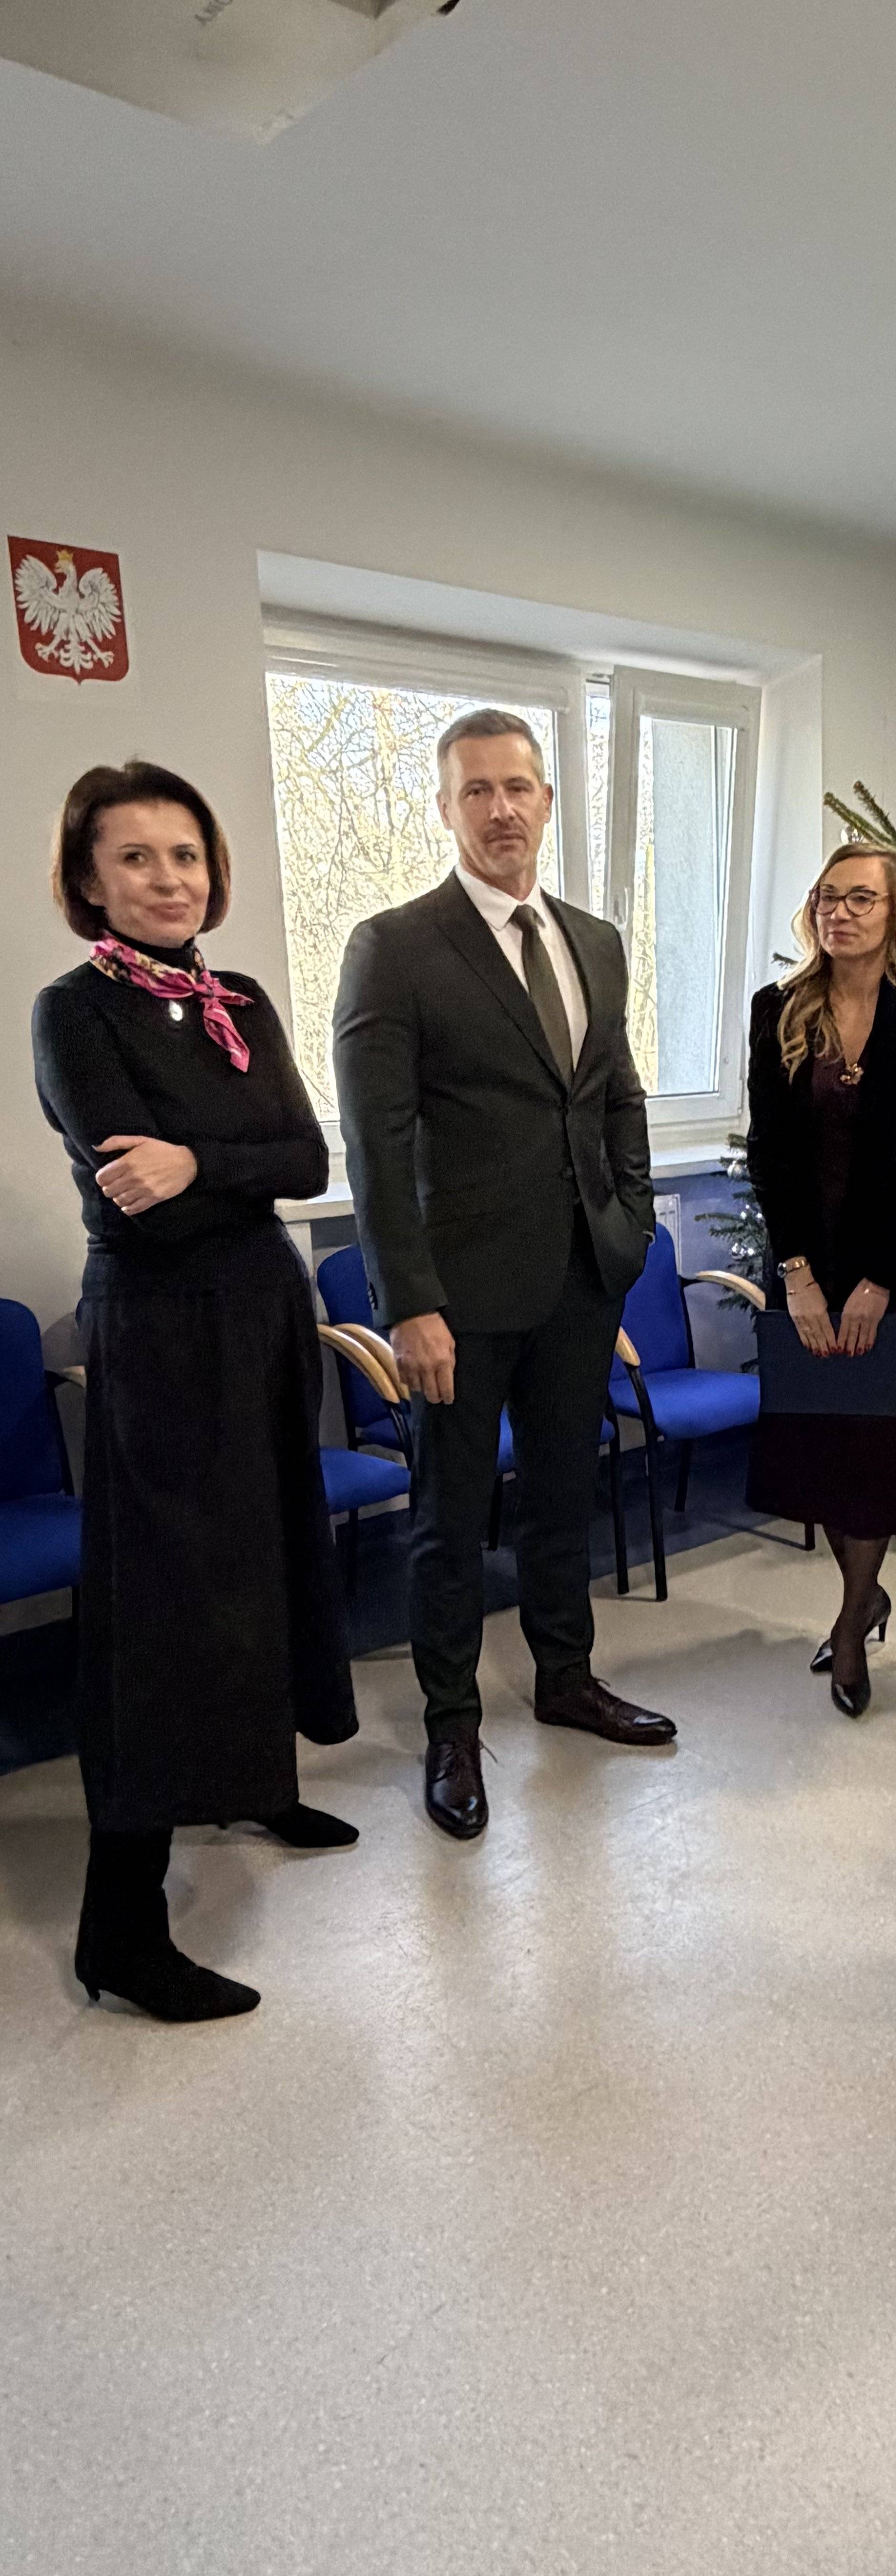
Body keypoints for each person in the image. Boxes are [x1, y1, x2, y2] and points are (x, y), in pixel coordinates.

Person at [32, 762, 360, 2024]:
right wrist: (219, 1171)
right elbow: (144, 1201)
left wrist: (197, 1161)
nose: (168, 879)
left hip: (263, 1312)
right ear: (89, 880)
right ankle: (120, 1928)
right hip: (163, 1331)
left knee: (269, 1559)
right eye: (135, 857)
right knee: (171, 1608)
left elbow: (308, 1159)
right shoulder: (75, 1012)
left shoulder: (240, 1000)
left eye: (185, 855)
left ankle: (253, 1784)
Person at [333, 709, 674, 1844]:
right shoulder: (395, 946)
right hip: (458, 1301)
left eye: (517, 787)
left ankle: (565, 1679)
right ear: (445, 808)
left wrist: (628, 1225)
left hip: (581, 1280)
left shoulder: (595, 940)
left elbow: (616, 1094)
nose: (499, 809)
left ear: (546, 801)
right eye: (475, 790)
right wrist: (408, 1304)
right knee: (448, 1516)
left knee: (565, 1496)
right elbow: (375, 1145)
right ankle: (450, 1727)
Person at [745, 841, 896, 1715]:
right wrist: (798, 1277)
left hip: (892, 1270)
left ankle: (847, 1626)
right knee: (823, 1456)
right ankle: (862, 1598)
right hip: (807, 1268)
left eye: (860, 899)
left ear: (894, 910)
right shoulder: (778, 1008)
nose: (840, 912)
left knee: (875, 1458)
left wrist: (877, 1279)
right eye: (828, 897)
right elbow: (770, 1153)